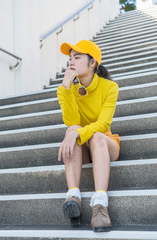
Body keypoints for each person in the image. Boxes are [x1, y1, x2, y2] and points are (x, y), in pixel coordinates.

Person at [57, 40, 120, 232]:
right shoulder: (65, 88)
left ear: (92, 63)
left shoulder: (109, 87)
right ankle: (73, 196)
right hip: (81, 147)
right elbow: (71, 120)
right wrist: (68, 90)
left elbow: (103, 124)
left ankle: (100, 204)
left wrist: (75, 132)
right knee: (72, 129)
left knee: (96, 136)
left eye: (77, 57)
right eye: (70, 58)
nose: (71, 62)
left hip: (105, 144)